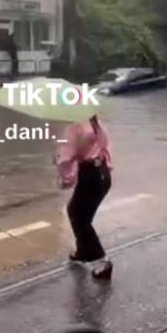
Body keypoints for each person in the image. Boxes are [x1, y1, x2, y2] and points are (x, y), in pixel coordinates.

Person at [57, 114, 114, 279]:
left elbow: (65, 159)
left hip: (90, 176)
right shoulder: (96, 123)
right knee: (77, 213)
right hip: (102, 173)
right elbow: (106, 147)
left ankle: (101, 260)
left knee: (79, 218)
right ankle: (82, 251)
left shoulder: (75, 128)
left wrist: (65, 180)